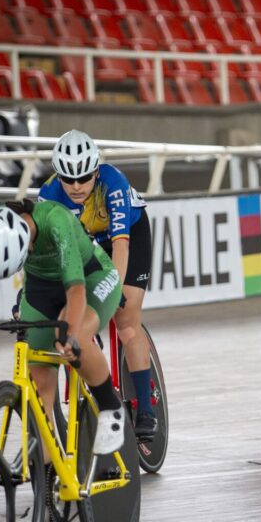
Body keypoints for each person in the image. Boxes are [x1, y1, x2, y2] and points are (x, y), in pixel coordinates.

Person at [0, 202, 126, 456]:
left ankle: (110, 405)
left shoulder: (55, 221)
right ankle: (47, 465)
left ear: (26, 246)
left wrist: (69, 334)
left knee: (78, 337)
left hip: (91, 277)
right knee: (39, 380)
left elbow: (75, 290)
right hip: (42, 289)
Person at [38, 130, 157, 438]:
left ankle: (146, 408)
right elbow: (44, 254)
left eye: (83, 178)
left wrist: (114, 288)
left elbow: (120, 247)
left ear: (95, 171)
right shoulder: (49, 195)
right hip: (87, 246)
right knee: (67, 315)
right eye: (68, 179)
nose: (76, 187)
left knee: (126, 318)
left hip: (127, 235)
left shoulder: (113, 183)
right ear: (58, 176)